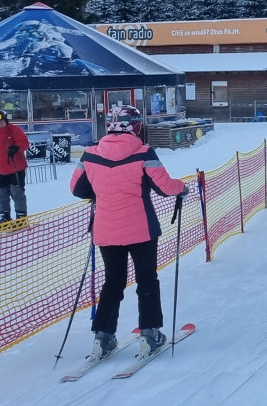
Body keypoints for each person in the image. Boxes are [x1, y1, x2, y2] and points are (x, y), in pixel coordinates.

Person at [69, 105, 189, 360]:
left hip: (106, 229)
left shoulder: (90, 154)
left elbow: (77, 189)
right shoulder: (144, 152)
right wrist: (182, 188)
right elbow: (165, 187)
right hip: (141, 229)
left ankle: (103, 336)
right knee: (147, 279)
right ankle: (150, 333)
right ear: (135, 125)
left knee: (113, 282)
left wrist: (102, 194)